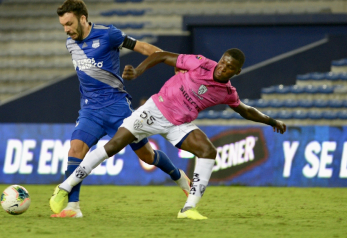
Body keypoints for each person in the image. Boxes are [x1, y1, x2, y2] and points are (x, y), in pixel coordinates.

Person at [50, 48, 287, 220]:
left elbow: (244, 110)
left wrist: (271, 120)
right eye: (223, 62)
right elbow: (162, 56)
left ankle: (189, 209)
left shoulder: (226, 92)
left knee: (208, 151)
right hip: (154, 110)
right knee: (113, 146)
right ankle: (65, 187)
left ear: (237, 72)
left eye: (229, 68)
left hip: (178, 124)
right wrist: (139, 71)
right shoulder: (201, 63)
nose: (223, 67)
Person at [50, 0, 191, 218]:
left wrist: (175, 62)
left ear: (82, 18)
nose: (66, 30)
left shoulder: (109, 35)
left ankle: (180, 177)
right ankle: (73, 207)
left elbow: (143, 47)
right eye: (63, 26)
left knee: (146, 155)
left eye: (69, 24)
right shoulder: (71, 43)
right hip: (90, 110)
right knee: (75, 150)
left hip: (117, 108)